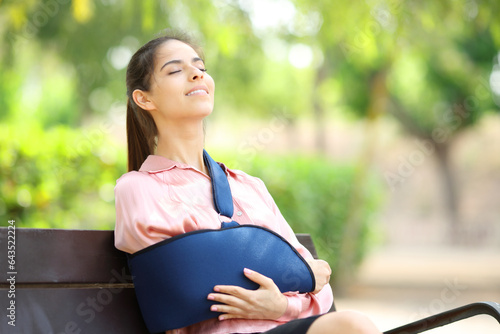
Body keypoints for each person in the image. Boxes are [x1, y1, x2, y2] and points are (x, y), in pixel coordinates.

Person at [114, 32, 382, 334]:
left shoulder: (250, 187)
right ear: (144, 98)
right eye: (175, 70)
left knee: (352, 325)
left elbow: (321, 291)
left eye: (200, 66)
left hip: (285, 326)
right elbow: (182, 286)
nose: (196, 74)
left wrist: (281, 305)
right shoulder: (139, 188)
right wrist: (299, 275)